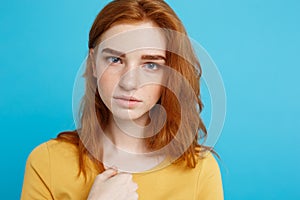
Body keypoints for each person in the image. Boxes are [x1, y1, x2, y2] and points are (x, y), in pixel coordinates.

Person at [21, 0, 223, 199]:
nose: (129, 83)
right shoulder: (46, 163)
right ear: (93, 63)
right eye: (115, 60)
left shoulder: (200, 170)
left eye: (150, 64)